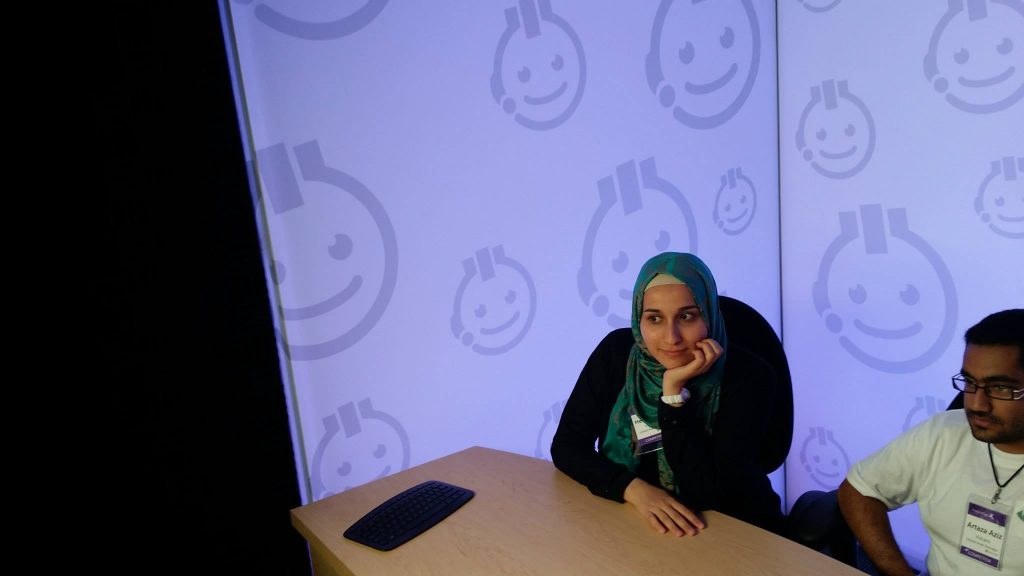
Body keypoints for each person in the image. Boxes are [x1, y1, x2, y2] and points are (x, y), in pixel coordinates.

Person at [550, 252, 784, 536]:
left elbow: (708, 493)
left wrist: (673, 395)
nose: (671, 337)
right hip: (634, 518)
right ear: (639, 317)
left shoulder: (749, 377)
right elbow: (567, 446)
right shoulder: (615, 354)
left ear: (708, 313)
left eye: (686, 316)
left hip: (729, 527)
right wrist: (633, 488)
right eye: (655, 318)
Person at [838, 309, 1024, 576]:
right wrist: (897, 570)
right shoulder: (945, 432)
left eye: (1000, 388)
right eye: (970, 382)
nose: (976, 404)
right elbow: (859, 490)